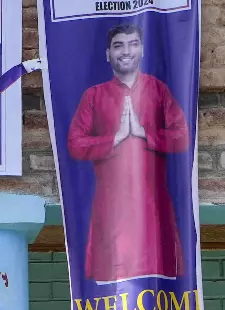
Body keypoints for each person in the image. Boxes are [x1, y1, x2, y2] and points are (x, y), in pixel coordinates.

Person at [66, 21, 189, 284]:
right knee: (112, 285)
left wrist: (145, 133)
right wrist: (116, 137)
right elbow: (75, 144)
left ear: (142, 50)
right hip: (112, 209)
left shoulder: (158, 90)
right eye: (118, 45)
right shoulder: (94, 96)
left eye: (133, 44)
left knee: (158, 282)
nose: (126, 51)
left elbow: (182, 136)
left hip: (153, 207)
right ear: (107, 54)